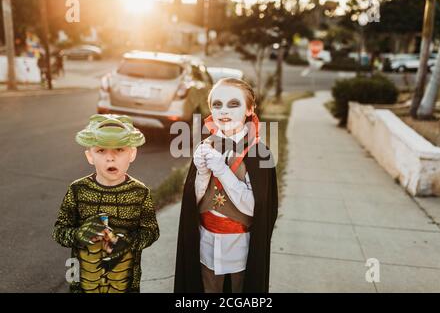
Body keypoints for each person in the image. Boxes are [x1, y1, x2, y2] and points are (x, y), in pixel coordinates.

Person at [174, 78, 278, 293]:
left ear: (249, 109)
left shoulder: (259, 153)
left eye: (234, 104)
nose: (223, 111)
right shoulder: (206, 146)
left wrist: (222, 170)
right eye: (217, 104)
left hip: (240, 243)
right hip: (206, 240)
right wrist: (202, 173)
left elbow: (255, 208)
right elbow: (192, 204)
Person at [53, 114, 160, 293]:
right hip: (84, 285)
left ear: (132, 153)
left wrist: (127, 241)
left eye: (119, 150)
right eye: (101, 151)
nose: (110, 158)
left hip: (125, 285)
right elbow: (59, 231)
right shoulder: (77, 190)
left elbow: (151, 231)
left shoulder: (140, 192)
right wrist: (79, 235)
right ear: (90, 156)